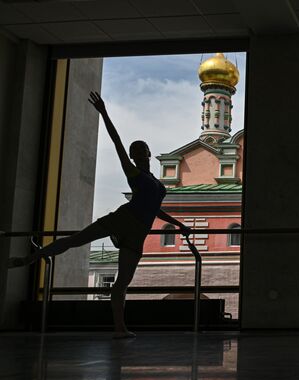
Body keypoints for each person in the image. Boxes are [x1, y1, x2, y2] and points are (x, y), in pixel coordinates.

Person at [7, 91, 190, 338]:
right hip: (123, 219)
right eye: (133, 150)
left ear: (148, 153)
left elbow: (154, 209)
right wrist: (104, 112)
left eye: (141, 149)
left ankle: (119, 328)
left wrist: (178, 224)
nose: (136, 152)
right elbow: (116, 142)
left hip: (137, 231)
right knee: (76, 240)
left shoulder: (154, 182)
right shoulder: (133, 173)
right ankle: (30, 259)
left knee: (122, 282)